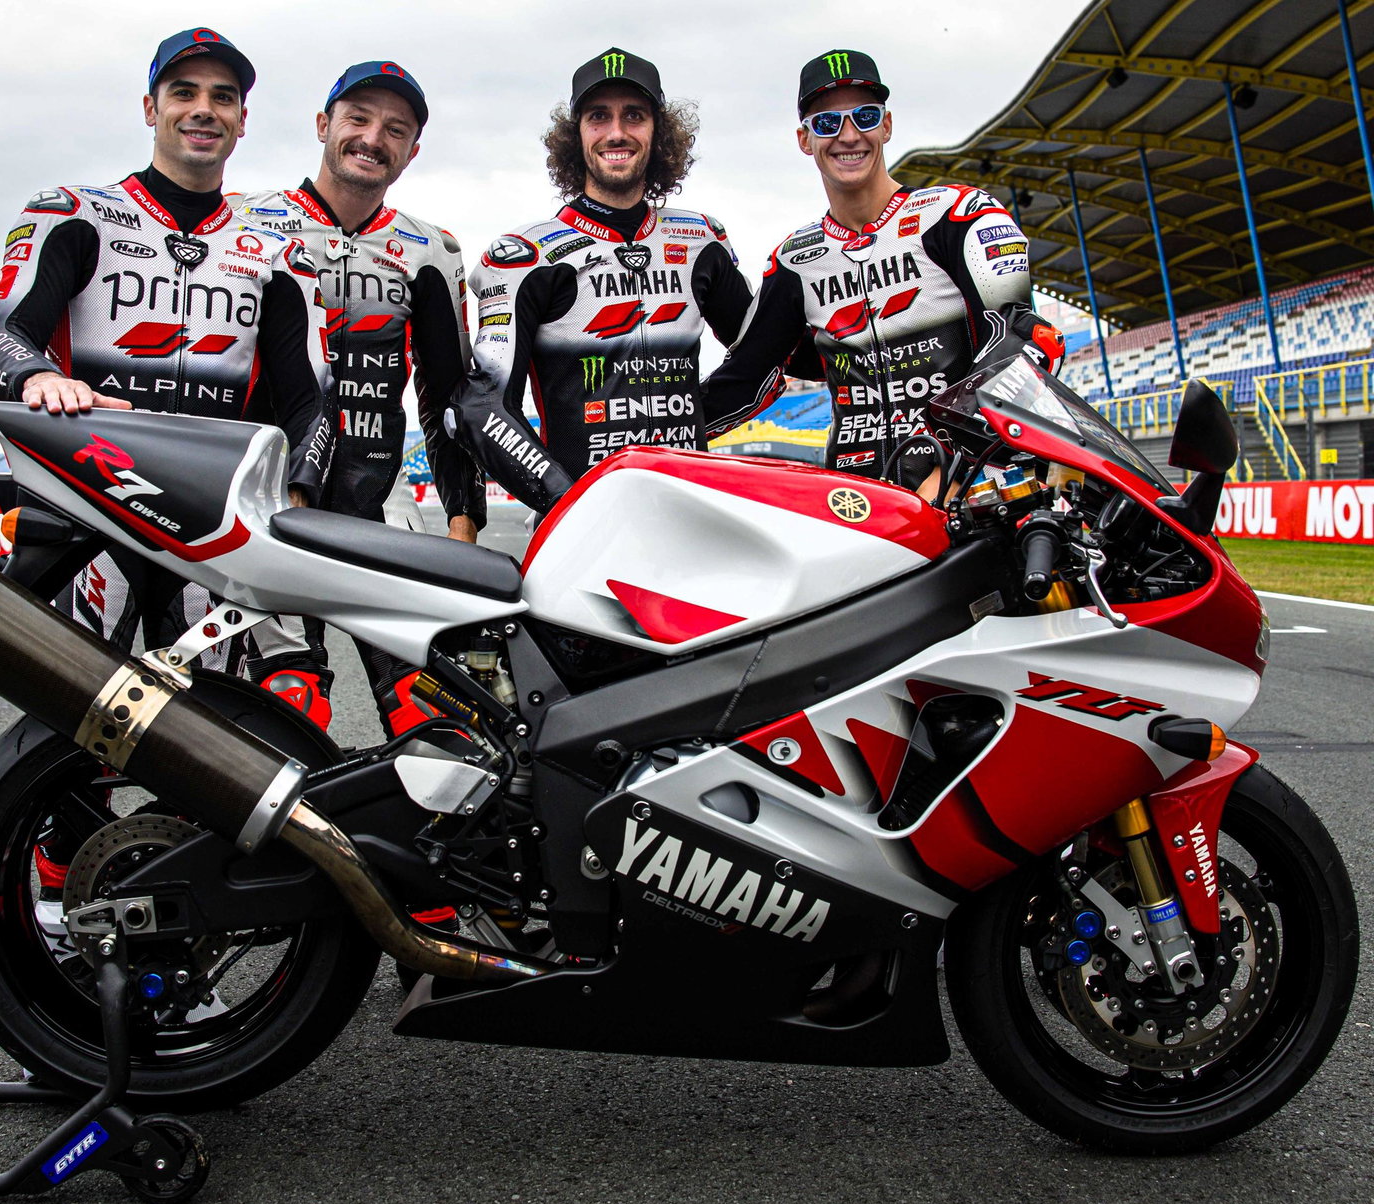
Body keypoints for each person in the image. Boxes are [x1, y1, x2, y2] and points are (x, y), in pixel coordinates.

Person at [0, 28, 334, 707]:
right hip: (93, 502)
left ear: (242, 120)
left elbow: (312, 397)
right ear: (151, 108)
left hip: (214, 518)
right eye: (183, 93)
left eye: (223, 97)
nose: (203, 110)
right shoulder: (74, 214)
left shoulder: (279, 250)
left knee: (211, 728)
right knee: (71, 712)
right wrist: (38, 377)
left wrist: (298, 493)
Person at [231, 60, 485, 735]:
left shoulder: (431, 250)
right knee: (286, 701)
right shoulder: (245, 223)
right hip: (266, 497)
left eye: (395, 130)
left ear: (412, 150)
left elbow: (446, 393)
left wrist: (464, 520)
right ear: (324, 124)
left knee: (430, 704)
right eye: (359, 119)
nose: (373, 138)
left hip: (379, 494)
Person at [703, 49, 1064, 488]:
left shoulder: (959, 215)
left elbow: (1025, 341)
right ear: (805, 139)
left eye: (865, 117)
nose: (849, 136)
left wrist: (949, 461)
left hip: (973, 490)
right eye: (827, 123)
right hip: (858, 502)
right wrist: (649, 439)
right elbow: (744, 378)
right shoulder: (793, 261)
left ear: (887, 125)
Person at [448, 48, 757, 513]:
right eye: (598, 116)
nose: (616, 132)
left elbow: (763, 357)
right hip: (580, 526)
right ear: (575, 135)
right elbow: (481, 408)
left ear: (658, 132)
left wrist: (693, 422)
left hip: (688, 514)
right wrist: (566, 500)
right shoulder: (526, 258)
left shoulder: (701, 241)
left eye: (634, 115)